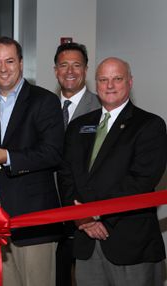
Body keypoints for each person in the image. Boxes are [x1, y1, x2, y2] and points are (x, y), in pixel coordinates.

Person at [58, 57, 167, 286]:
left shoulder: (150, 125)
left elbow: (141, 180)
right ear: (95, 83)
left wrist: (94, 213)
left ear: (130, 82)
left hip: (129, 242)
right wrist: (81, 217)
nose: (109, 85)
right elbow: (66, 175)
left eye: (117, 79)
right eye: (103, 79)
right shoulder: (78, 126)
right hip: (86, 241)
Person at [0, 36, 64, 286]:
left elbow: (53, 152)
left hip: (33, 220)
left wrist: (8, 157)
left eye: (10, 61)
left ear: (21, 63)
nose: (3, 68)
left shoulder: (45, 101)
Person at [53, 42, 100, 286]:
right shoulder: (45, 106)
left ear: (86, 69)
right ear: (55, 70)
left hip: (87, 211)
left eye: (77, 65)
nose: (70, 71)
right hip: (50, 210)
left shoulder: (102, 107)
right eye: (64, 65)